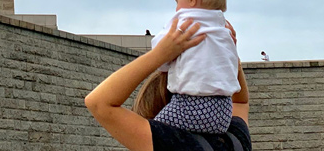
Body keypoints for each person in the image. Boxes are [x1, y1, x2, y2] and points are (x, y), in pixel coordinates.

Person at [85, 18, 251, 151]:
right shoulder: (236, 140)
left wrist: (160, 54)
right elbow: (240, 102)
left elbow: (99, 103)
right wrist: (228, 54)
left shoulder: (171, 143)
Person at [149, 0, 240, 134]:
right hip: (224, 112)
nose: (176, 8)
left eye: (177, 1)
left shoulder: (184, 20)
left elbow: (159, 54)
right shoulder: (224, 29)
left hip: (191, 105)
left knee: (153, 133)